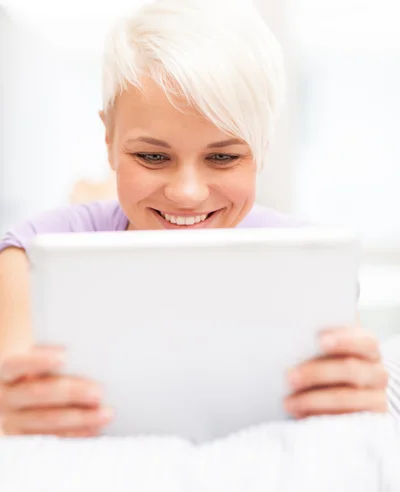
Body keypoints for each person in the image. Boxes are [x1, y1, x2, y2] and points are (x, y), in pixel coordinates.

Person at [0, 0, 388, 437]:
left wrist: (365, 411)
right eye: (151, 156)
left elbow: (349, 421)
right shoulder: (32, 257)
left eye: (222, 157)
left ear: (261, 148)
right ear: (108, 139)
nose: (187, 194)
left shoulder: (314, 262)